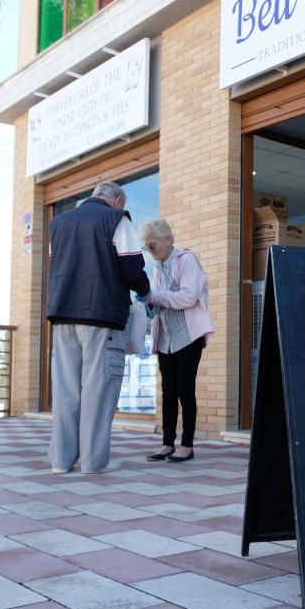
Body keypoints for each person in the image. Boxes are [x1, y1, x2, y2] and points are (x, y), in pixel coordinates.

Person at [47, 181, 150, 474]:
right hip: (101, 317)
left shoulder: (59, 223)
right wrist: (145, 291)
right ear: (116, 200)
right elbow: (132, 268)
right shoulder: (117, 219)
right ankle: (93, 462)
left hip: (62, 315)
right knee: (98, 389)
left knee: (66, 391)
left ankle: (61, 461)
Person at [139, 218, 214, 462]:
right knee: (168, 391)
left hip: (188, 336)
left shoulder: (187, 260)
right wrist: (150, 304)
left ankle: (188, 445)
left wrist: (156, 297)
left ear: (167, 240)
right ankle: (167, 443)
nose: (149, 251)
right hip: (166, 338)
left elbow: (189, 297)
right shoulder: (157, 267)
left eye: (152, 246)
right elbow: (156, 300)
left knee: (185, 389)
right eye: (146, 247)